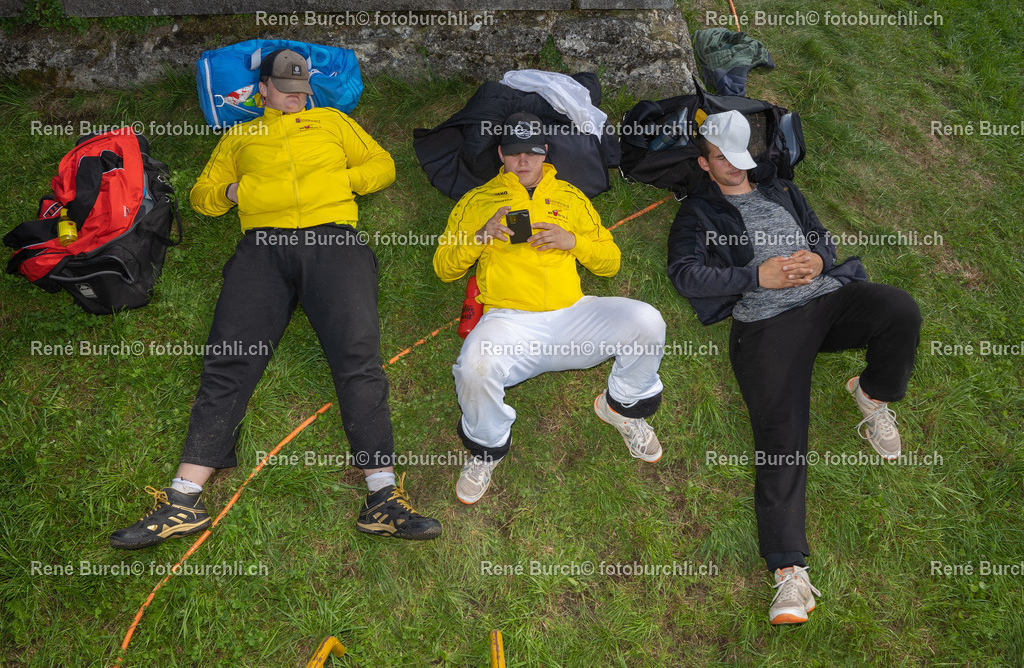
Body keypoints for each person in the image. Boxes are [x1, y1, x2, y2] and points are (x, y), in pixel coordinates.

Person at [110, 49, 441, 549]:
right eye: (285, 89)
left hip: (334, 242)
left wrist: (342, 181)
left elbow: (383, 166)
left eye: (300, 91)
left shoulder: (330, 121)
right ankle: (183, 500)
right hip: (261, 249)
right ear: (261, 89)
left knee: (358, 359)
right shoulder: (240, 135)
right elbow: (202, 196)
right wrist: (233, 193)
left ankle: (383, 497)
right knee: (228, 361)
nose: (294, 98)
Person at [667, 110, 922, 624]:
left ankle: (872, 394)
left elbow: (822, 239)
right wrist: (754, 275)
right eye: (721, 159)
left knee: (899, 309)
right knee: (782, 431)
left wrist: (819, 262)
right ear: (705, 162)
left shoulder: (782, 190)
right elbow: (685, 275)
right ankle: (789, 574)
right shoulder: (697, 212)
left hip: (827, 301)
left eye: (741, 158)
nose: (735, 169)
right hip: (766, 323)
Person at [433, 112, 667, 505]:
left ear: (545, 154)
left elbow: (611, 262)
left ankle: (623, 406)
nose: (522, 161)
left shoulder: (571, 197)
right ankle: (487, 448)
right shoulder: (477, 201)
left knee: (647, 319)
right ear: (501, 154)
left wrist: (572, 241)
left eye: (531, 152)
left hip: (572, 315)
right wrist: (480, 236)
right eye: (513, 153)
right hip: (509, 322)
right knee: (474, 367)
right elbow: (443, 267)